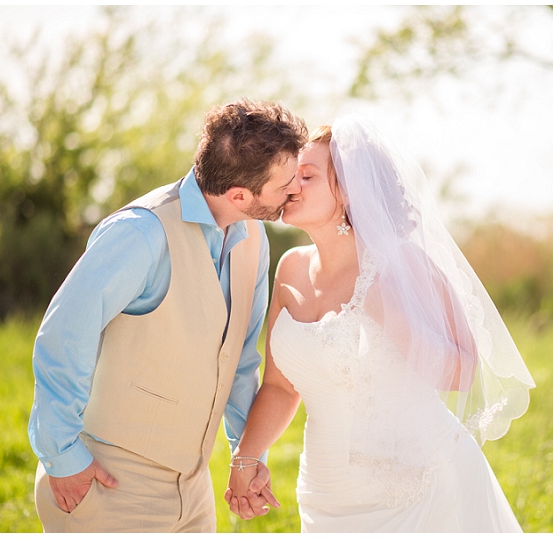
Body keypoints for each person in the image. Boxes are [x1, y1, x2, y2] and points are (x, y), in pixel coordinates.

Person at [225, 115, 535, 531]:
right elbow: (281, 387)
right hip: (324, 492)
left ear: (351, 191)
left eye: (308, 175)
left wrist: (392, 314)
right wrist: (246, 457)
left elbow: (464, 372)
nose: (290, 185)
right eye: (290, 175)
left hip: (418, 491)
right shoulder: (290, 268)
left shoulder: (403, 264)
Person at [28, 98, 308, 532]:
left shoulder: (254, 238)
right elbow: (64, 335)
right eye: (285, 185)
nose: (297, 191)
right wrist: (62, 456)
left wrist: (247, 456)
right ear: (239, 195)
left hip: (193, 492)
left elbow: (240, 363)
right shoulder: (140, 232)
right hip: (105, 484)